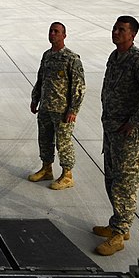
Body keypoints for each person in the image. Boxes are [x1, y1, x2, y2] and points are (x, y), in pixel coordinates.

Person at [95, 15, 139, 256]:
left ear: (132, 35)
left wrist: (135, 121)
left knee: (125, 183)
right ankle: (117, 224)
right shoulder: (115, 58)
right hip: (112, 131)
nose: (116, 32)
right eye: (115, 28)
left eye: (122, 30)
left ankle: (119, 235)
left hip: (127, 135)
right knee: (112, 180)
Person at [29, 22, 85, 190]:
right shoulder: (47, 55)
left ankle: (67, 175)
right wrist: (35, 98)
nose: (53, 34)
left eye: (56, 31)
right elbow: (40, 79)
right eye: (51, 31)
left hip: (62, 110)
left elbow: (79, 86)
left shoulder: (71, 58)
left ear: (64, 35)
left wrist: (73, 110)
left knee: (63, 142)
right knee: (44, 139)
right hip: (46, 106)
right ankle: (46, 169)